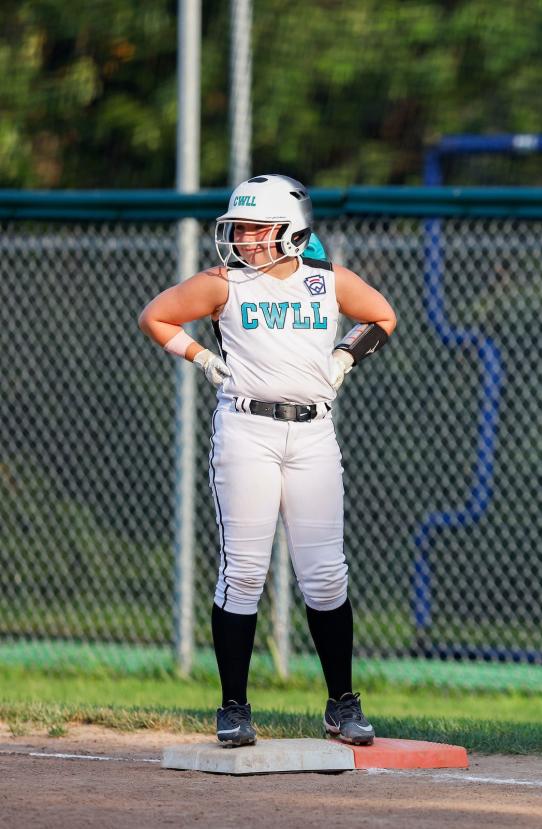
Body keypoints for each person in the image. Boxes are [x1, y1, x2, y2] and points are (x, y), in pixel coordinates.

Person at [138, 174, 397, 747]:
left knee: (326, 575)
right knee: (245, 572)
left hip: (312, 434)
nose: (244, 239)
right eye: (240, 228)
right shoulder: (223, 283)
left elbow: (382, 317)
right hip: (247, 430)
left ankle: (342, 704)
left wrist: (345, 358)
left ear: (294, 232)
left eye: (257, 229)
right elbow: (156, 316)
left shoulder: (326, 281)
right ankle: (233, 707)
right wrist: (201, 356)